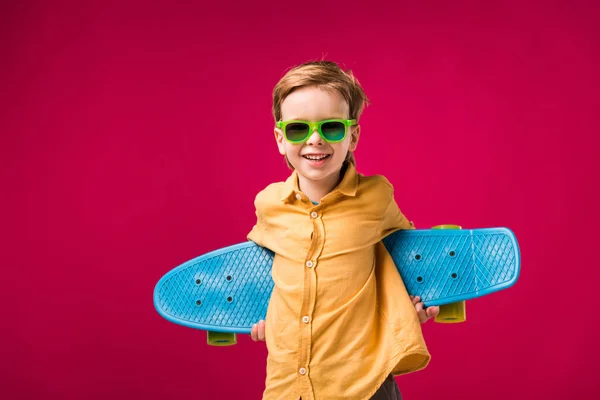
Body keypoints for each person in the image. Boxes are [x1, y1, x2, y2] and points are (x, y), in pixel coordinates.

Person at [247, 60, 439, 400]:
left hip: (364, 386)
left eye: (331, 127)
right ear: (280, 139)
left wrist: (413, 308)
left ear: (353, 136)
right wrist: (265, 318)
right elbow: (264, 270)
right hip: (288, 387)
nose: (315, 140)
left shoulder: (376, 197)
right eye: (298, 130)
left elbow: (411, 256)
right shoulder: (269, 204)